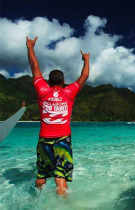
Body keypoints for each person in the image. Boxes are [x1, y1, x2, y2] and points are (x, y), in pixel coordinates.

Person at [26, 36, 89, 196]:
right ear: (63, 81)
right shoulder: (69, 92)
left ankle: (36, 201)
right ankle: (62, 203)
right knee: (60, 175)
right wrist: (86, 60)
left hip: (44, 138)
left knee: (41, 174)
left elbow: (35, 66)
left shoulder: (42, 90)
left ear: (48, 80)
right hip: (63, 139)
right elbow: (84, 77)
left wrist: (30, 47)